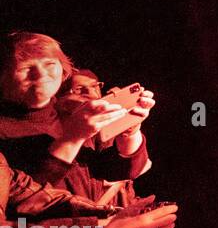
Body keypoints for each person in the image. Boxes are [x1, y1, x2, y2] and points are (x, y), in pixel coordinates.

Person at [0, 33, 154, 215]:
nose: (40, 73)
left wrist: (130, 131)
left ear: (63, 69)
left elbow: (120, 173)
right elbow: (22, 199)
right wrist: (72, 138)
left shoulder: (78, 115)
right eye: (25, 67)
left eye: (49, 64)